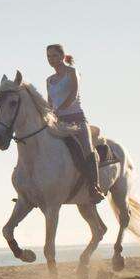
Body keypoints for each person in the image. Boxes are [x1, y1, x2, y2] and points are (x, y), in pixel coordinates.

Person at [46, 44, 104, 202]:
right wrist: (47, 114)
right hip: (58, 122)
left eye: (54, 56)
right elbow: (50, 102)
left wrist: (58, 111)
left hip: (76, 119)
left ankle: (94, 187)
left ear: (62, 56)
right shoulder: (49, 80)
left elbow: (73, 94)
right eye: (49, 56)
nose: (51, 59)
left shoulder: (72, 72)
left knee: (87, 148)